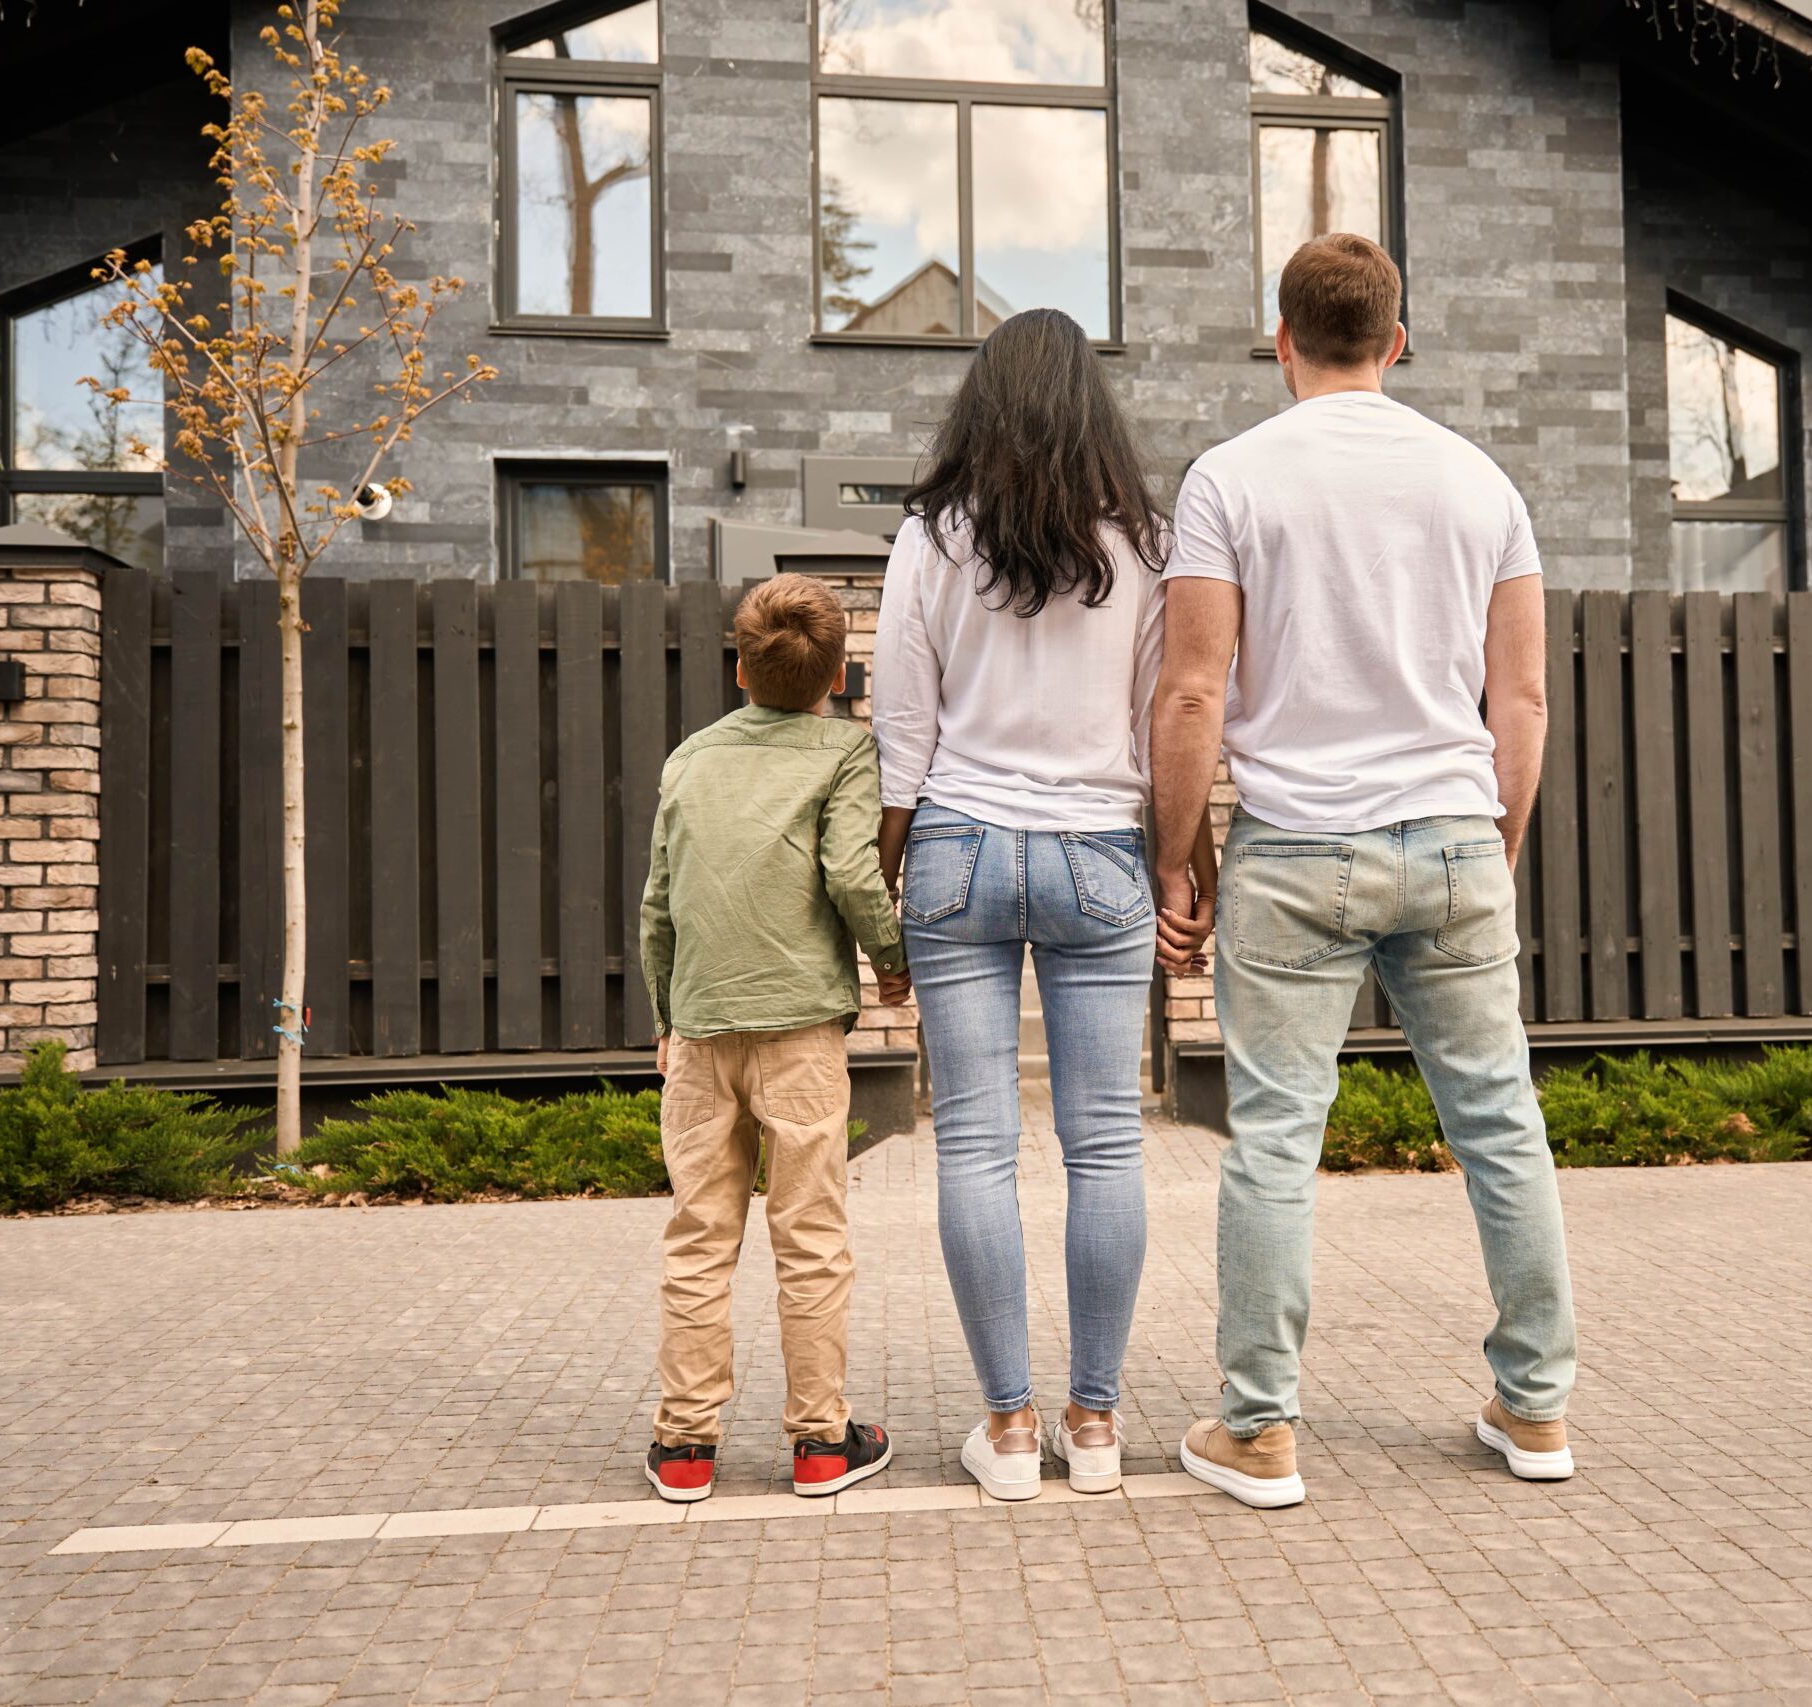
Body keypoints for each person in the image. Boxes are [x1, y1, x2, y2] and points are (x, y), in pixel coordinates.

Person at [1149, 234, 1580, 1509]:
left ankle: (1261, 1430)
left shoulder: (1227, 480)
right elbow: (1525, 699)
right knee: (1500, 1128)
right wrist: (1489, 845)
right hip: (1451, 834)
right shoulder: (1482, 485)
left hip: (1293, 853)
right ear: (1396, 341)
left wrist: (1175, 859)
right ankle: (1539, 1410)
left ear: (1280, 338)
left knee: (1275, 1139)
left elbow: (1189, 691)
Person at [873, 308, 1215, 1502]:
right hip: (1097, 854)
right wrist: (1187, 854)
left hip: (959, 845)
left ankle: (1009, 1431)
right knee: (1106, 1142)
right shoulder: (1146, 543)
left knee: (972, 1143)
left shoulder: (931, 536)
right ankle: (1099, 1427)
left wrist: (890, 863)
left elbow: (901, 723)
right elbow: (1162, 711)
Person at [637, 572, 912, 1503]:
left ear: (740, 667)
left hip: (703, 1029)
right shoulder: (843, 754)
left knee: (699, 1238)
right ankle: (821, 1443)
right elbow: (850, 870)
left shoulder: (688, 760)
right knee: (812, 1236)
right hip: (800, 1031)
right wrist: (892, 957)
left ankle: (685, 1447)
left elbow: (658, 906)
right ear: (838, 673)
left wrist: (667, 1019)